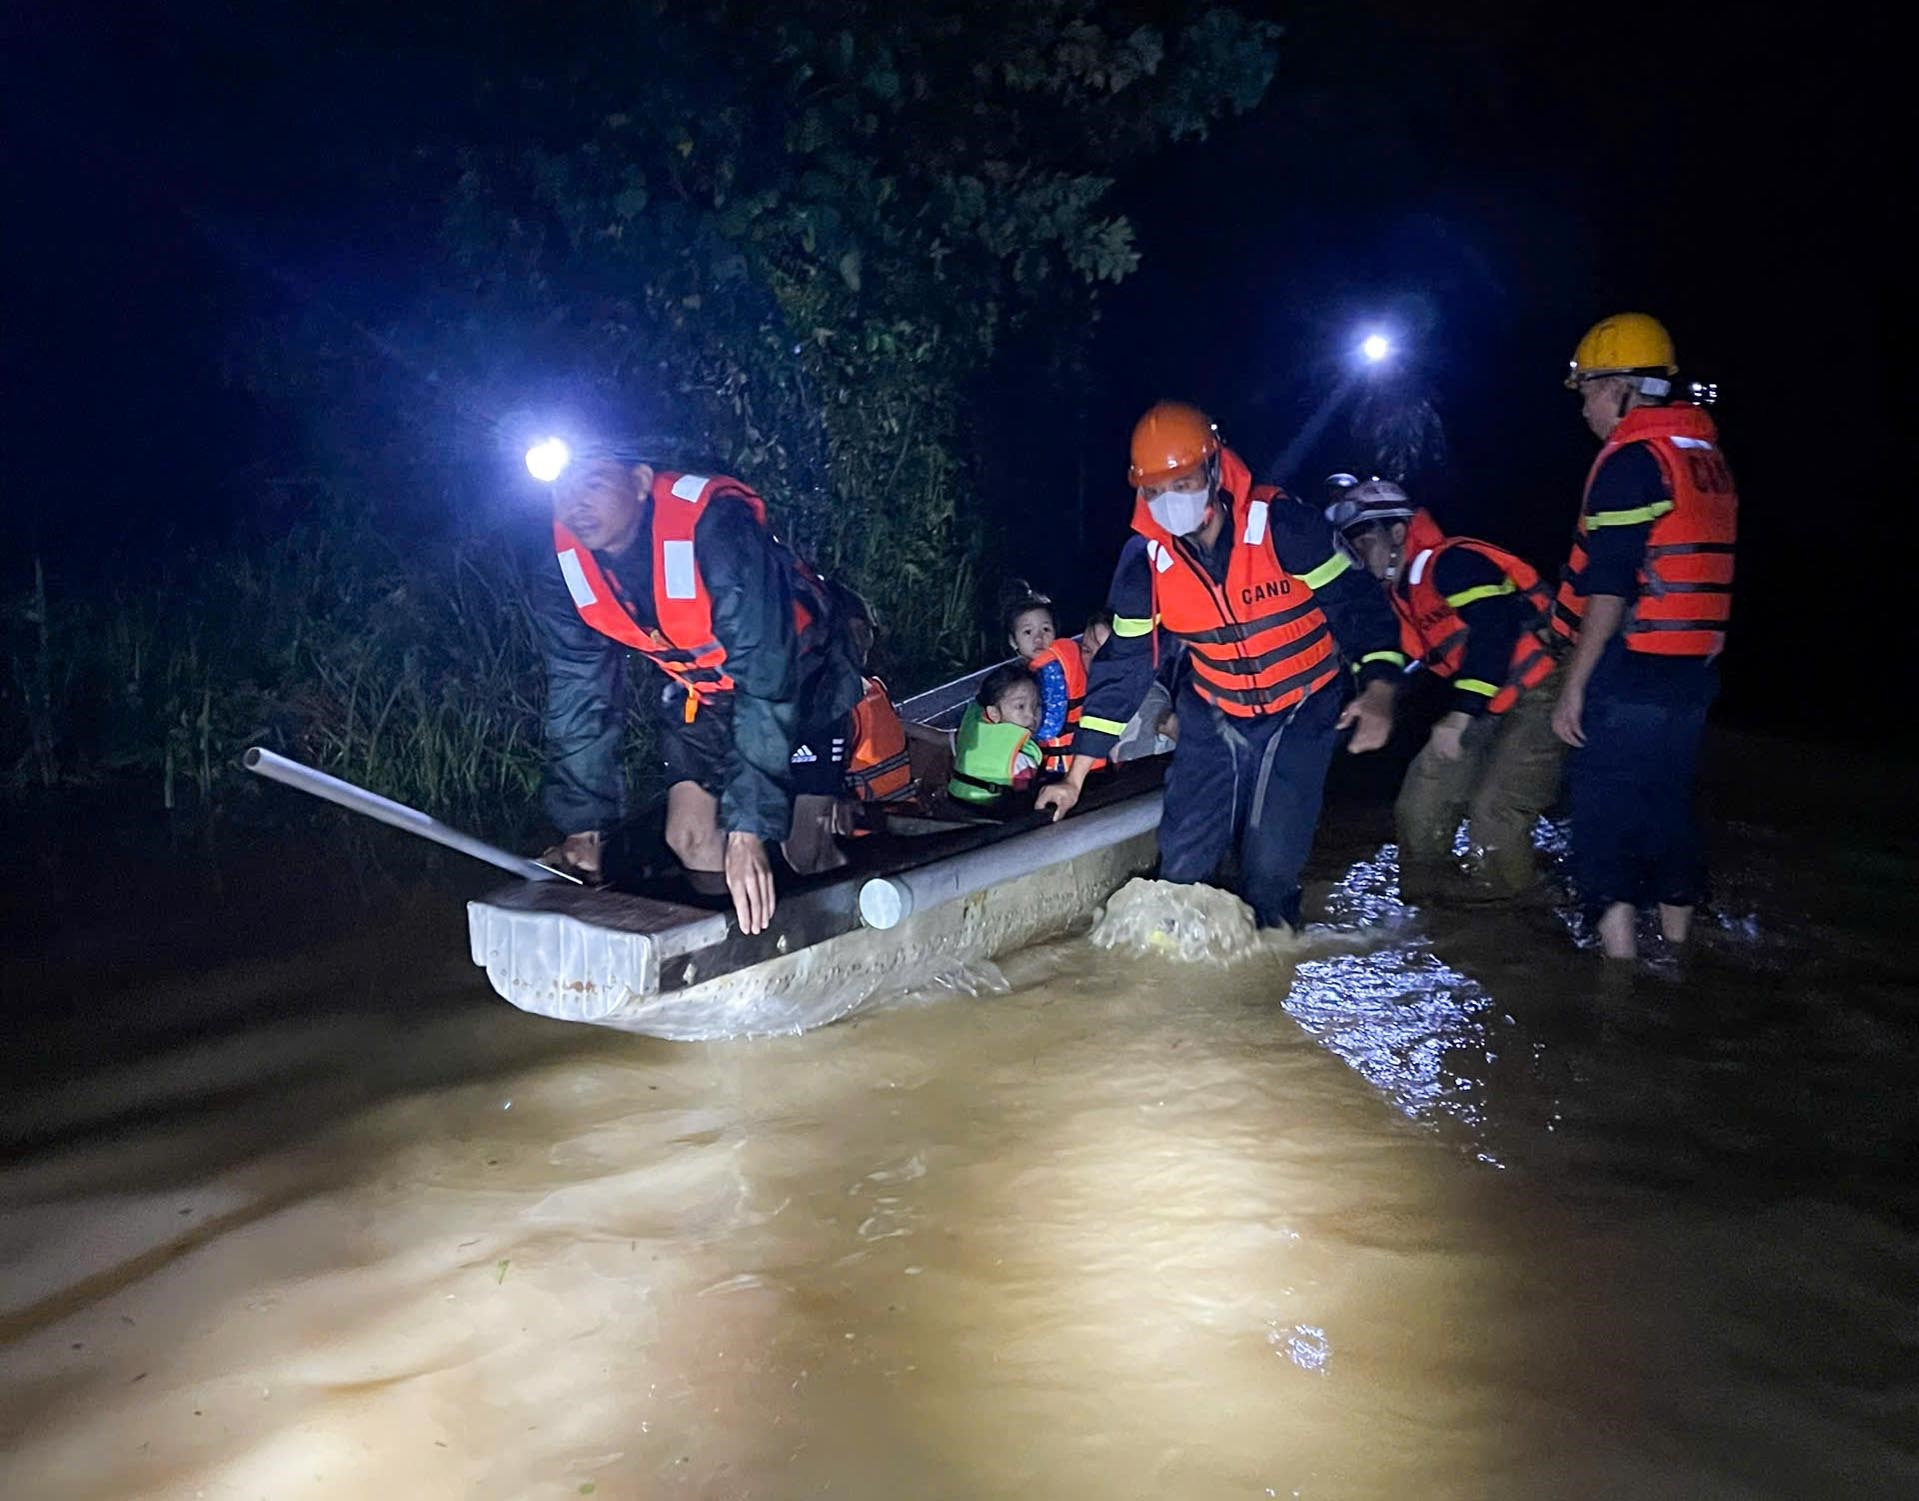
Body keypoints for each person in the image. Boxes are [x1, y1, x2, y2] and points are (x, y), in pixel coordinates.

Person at [1037, 401, 1403, 931]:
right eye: (1155, 490)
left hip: (1301, 707)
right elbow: (1125, 665)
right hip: (1214, 710)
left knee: (1270, 872)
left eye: (1182, 483)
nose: (1169, 501)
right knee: (1181, 868)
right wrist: (1075, 776)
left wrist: (1380, 691)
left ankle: (1265, 975)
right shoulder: (1145, 561)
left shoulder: (1283, 526)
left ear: (1212, 470)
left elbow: (1359, 606)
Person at [530, 449, 863, 934]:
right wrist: (585, 826)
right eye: (564, 490)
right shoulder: (561, 571)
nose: (576, 503)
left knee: (802, 848)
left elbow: (766, 679)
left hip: (803, 680)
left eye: (595, 483)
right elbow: (578, 697)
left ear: (641, 481)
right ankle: (739, 944)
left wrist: (747, 830)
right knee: (687, 837)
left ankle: (840, 932)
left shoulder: (715, 529)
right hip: (702, 695)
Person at [1551, 314, 1737, 960]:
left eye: (1589, 393)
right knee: (1666, 805)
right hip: (1690, 672)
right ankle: (1679, 953)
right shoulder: (1702, 456)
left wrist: (1571, 687)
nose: (1585, 410)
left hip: (1629, 665)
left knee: (1602, 814)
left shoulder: (1632, 460)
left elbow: (1608, 589)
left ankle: (1618, 971)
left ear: (1624, 388)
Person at [1328, 480, 1565, 900]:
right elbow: (1403, 664)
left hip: (1541, 695)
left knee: (1494, 817)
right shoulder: (1399, 597)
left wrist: (1459, 715)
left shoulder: (1452, 562)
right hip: (1486, 705)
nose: (1358, 557)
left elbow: (1495, 631)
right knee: (1421, 806)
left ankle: (1528, 928)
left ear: (1398, 534)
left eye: (1364, 542)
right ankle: (1433, 915)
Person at [835, 588, 914, 809]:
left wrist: (943, 739)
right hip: (868, 832)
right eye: (849, 632)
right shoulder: (833, 705)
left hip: (904, 819)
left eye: (864, 630)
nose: (859, 641)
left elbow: (888, 729)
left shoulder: (875, 688)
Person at [1003, 587, 1087, 774]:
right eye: (1028, 632)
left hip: (1064, 764)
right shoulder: (1033, 670)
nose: (1039, 638)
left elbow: (1050, 727)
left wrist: (1010, 738)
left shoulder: (1051, 669)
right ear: (1013, 641)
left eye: (1046, 629)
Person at [946, 664, 1044, 806]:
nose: (1031, 716)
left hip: (955, 806)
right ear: (993, 713)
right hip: (992, 817)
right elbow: (1026, 800)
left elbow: (943, 739)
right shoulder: (1021, 760)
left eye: (1036, 706)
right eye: (1020, 706)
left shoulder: (973, 734)